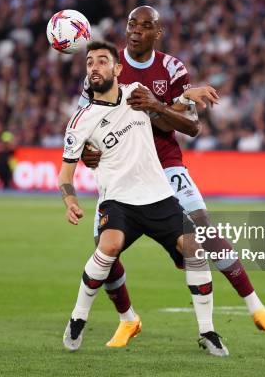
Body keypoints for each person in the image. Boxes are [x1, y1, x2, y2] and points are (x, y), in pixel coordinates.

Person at [79, 6, 265, 347]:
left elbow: (191, 126)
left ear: (157, 34)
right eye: (131, 24)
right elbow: (86, 127)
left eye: (145, 26)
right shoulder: (110, 66)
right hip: (121, 170)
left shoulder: (172, 68)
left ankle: (256, 307)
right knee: (103, 248)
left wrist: (161, 105)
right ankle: (127, 319)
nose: (136, 31)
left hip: (167, 165)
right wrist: (88, 153)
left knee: (203, 229)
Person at [58, 41, 228, 356]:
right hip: (118, 200)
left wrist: (190, 93)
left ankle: (208, 331)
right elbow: (65, 175)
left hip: (158, 196)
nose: (95, 67)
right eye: (90, 63)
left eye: (102, 62)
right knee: (107, 247)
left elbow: (171, 103)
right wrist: (70, 200)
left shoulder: (135, 92)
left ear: (117, 69)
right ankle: (77, 319)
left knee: (194, 249)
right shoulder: (80, 121)